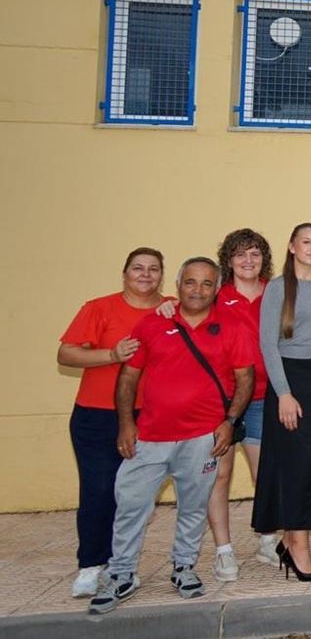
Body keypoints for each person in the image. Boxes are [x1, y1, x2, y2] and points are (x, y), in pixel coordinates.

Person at [87, 257, 253, 615]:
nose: (198, 290)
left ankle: (183, 567)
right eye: (190, 282)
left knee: (193, 507)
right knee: (131, 505)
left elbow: (245, 378)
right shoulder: (152, 324)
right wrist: (126, 424)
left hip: (203, 438)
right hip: (150, 437)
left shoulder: (231, 327)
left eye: (207, 284)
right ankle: (121, 574)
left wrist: (229, 421)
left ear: (216, 288)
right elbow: (128, 377)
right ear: (179, 285)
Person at [59, 248, 169, 598]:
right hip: (97, 416)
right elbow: (66, 353)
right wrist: (111, 355)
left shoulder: (170, 308)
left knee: (136, 498)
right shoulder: (99, 308)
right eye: (138, 268)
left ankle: (123, 565)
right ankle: (92, 565)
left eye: (153, 269)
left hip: (150, 416)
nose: (145, 275)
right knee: (99, 490)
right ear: (125, 274)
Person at [253, 223, 311, 581]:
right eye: (306, 242)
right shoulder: (277, 289)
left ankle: (292, 541)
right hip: (291, 380)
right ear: (291, 246)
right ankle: (298, 549)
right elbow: (267, 344)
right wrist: (284, 394)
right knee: (297, 467)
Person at [202, 230, 276, 577]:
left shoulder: (276, 292)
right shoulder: (215, 295)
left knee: (266, 474)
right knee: (221, 474)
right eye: (240, 254)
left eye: (255, 254)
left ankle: (267, 540)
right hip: (222, 401)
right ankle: (223, 550)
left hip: (264, 397)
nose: (248, 261)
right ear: (228, 260)